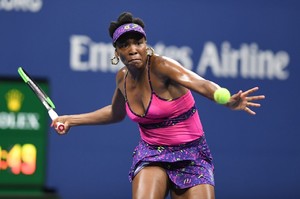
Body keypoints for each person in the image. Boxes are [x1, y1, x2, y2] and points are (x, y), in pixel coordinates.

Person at [52, 12, 265, 199]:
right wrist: (71, 120)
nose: (133, 49)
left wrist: (225, 99)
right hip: (151, 153)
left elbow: (200, 83)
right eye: (125, 45)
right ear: (117, 53)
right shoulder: (122, 79)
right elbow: (115, 113)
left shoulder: (162, 66)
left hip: (192, 155)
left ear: (146, 45)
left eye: (138, 42)